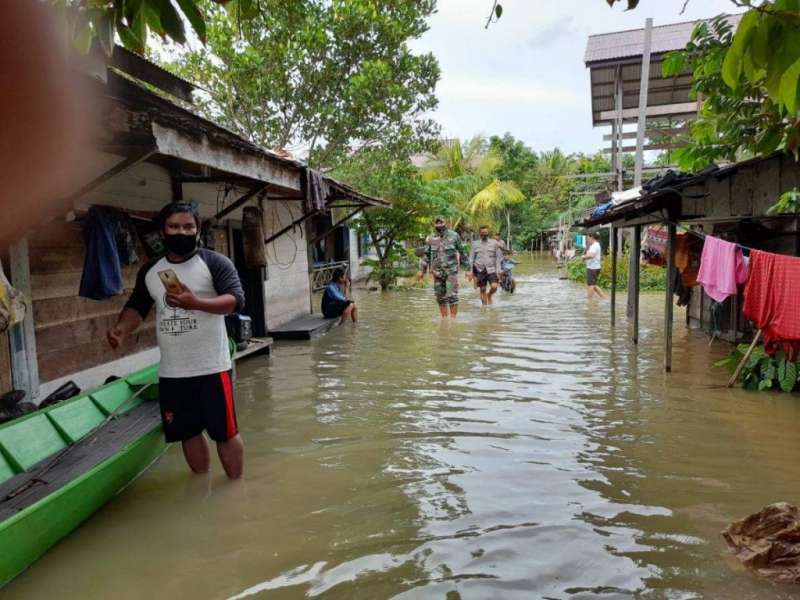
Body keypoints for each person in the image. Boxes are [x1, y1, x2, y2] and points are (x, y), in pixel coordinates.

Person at [107, 202, 246, 479]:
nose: (181, 232)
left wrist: (195, 302)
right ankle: (201, 486)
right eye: (174, 227)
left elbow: (235, 301)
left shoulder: (215, 263)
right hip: (172, 371)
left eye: (187, 227)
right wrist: (121, 329)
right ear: (163, 230)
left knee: (225, 432)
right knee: (187, 432)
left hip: (212, 367)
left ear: (198, 230)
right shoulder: (150, 270)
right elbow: (138, 306)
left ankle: (236, 489)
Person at [416, 216, 470, 318]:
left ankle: (453, 320)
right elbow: (426, 255)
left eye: (441, 222)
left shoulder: (454, 236)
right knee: (440, 297)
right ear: (434, 224)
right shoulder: (430, 238)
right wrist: (421, 270)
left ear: (445, 223)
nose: (439, 225)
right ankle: (444, 319)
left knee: (452, 296)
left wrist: (468, 269)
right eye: (437, 223)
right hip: (437, 273)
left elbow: (463, 253)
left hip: (451, 272)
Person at [471, 225, 504, 305]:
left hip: (492, 269)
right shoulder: (475, 244)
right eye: (482, 233)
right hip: (480, 269)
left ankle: (489, 295)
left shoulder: (494, 243)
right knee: (482, 289)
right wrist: (471, 271)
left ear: (488, 233)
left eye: (485, 232)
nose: (484, 234)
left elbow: (498, 258)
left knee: (494, 286)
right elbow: (471, 258)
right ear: (479, 233)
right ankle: (484, 308)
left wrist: (498, 270)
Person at [582, 231, 606, 299]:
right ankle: (604, 298)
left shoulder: (594, 245)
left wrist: (583, 257)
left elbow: (591, 255)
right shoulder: (595, 245)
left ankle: (589, 301)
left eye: (587, 238)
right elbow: (591, 255)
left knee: (591, 285)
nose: (587, 239)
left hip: (592, 268)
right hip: (594, 267)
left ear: (591, 237)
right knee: (594, 285)